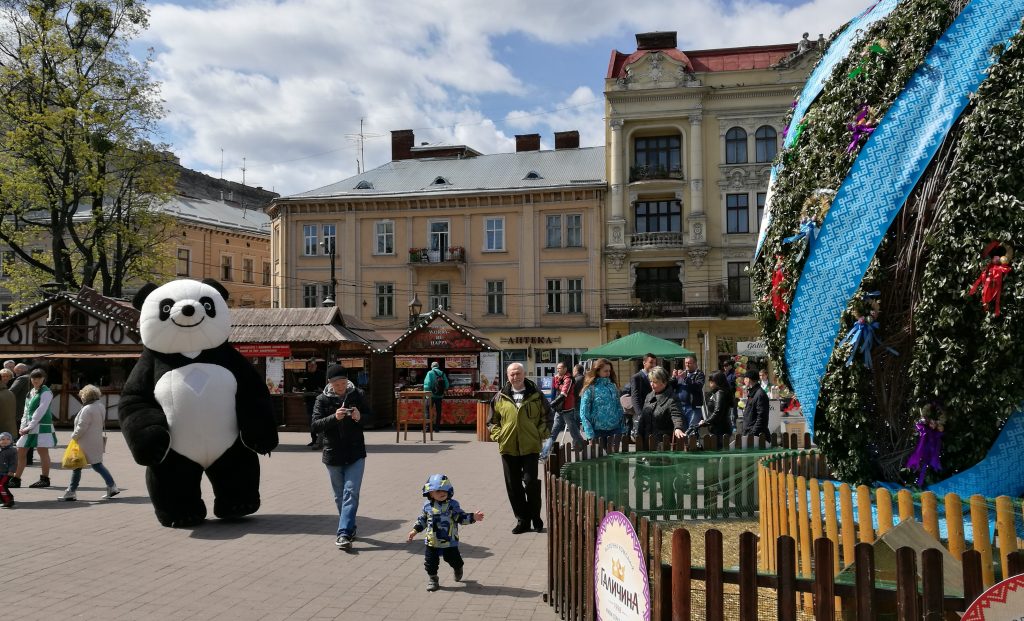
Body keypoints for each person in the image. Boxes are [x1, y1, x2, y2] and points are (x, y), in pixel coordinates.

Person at [311, 364, 371, 550]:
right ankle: (350, 527)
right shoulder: (322, 399)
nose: (341, 387)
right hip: (333, 454)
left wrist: (360, 417)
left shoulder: (357, 395)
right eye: (337, 384)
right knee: (340, 497)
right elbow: (315, 426)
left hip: (355, 453)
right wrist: (333, 418)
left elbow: (372, 418)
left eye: (343, 382)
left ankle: (343, 533)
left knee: (350, 492)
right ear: (330, 383)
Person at [488, 362, 550, 534]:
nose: (515, 377)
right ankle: (522, 520)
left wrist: (539, 434)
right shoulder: (500, 397)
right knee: (513, 486)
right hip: (508, 447)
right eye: (512, 374)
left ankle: (535, 516)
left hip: (530, 447)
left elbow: (547, 416)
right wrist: (499, 436)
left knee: (530, 482)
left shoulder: (536, 395)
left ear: (524, 374)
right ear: (507, 376)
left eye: (518, 373)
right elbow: (492, 422)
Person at [406, 474, 485, 592]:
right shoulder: (427, 506)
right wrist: (415, 530)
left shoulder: (452, 505)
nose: (442, 493)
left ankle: (458, 567)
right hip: (432, 541)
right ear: (430, 493)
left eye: (444, 490)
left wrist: (472, 517)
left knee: (453, 559)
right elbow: (422, 519)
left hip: (449, 541)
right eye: (438, 491)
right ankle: (433, 579)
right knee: (430, 563)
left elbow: (461, 517)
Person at [58, 385, 119, 502]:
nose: (81, 398)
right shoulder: (100, 406)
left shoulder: (87, 409)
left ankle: (71, 492)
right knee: (97, 465)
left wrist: (73, 436)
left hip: (84, 442)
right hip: (95, 441)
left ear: (85, 396)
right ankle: (112, 486)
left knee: (77, 466)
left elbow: (82, 427)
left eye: (82, 396)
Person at [13, 368, 56, 489]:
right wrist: (22, 427)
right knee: (20, 450)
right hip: (29, 426)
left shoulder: (46, 392)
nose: (35, 380)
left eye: (38, 377)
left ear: (44, 379)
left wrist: (28, 427)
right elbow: (26, 411)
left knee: (43, 452)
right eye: (33, 377)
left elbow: (40, 411)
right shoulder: (31, 391)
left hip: (42, 426)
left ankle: (45, 479)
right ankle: (16, 479)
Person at [539, 362, 585, 459]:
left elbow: (564, 394)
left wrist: (551, 405)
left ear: (565, 369)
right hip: (559, 409)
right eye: (557, 368)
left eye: (560, 368)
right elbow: (555, 390)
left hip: (567, 409)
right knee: (554, 432)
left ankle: (584, 448)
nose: (558, 370)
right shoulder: (558, 378)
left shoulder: (569, 379)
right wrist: (555, 380)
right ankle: (544, 453)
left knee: (574, 431)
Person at [633, 366, 686, 442]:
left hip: (663, 442)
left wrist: (678, 428)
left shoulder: (672, 398)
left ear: (664, 382)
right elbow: (643, 418)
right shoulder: (649, 396)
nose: (651, 384)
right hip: (646, 441)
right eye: (651, 381)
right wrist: (638, 434)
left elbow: (677, 415)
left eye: (655, 382)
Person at [579, 358, 627, 442]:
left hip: (615, 430)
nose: (608, 373)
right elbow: (584, 413)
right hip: (597, 432)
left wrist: (623, 429)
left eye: (609, 371)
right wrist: (590, 435)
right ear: (597, 371)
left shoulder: (613, 387)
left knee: (614, 455)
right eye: (605, 371)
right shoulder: (590, 389)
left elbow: (619, 408)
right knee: (601, 455)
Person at [9, 363, 31, 472]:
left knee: (20, 434)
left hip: (19, 410)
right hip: (29, 409)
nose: (14, 373)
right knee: (28, 434)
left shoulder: (22, 378)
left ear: (21, 370)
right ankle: (29, 459)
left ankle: (21, 459)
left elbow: (11, 392)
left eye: (16, 371)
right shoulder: (32, 378)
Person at [629, 354, 657, 433]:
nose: (653, 365)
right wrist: (640, 414)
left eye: (655, 363)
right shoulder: (637, 377)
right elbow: (635, 397)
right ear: (644, 363)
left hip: (654, 413)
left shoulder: (655, 377)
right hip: (643, 413)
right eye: (651, 362)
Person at [701, 371, 735, 436]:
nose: (709, 384)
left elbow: (717, 412)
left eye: (711, 382)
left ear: (717, 382)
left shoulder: (720, 393)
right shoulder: (718, 392)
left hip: (720, 429)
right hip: (719, 427)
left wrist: (705, 422)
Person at [678, 356, 706, 434]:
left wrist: (686, 378)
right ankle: (685, 446)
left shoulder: (699, 374)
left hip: (693, 407)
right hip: (682, 407)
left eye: (689, 363)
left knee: (692, 431)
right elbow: (674, 386)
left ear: (695, 363)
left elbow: (698, 386)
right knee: (683, 430)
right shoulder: (683, 374)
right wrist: (674, 378)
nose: (687, 365)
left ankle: (693, 445)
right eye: (686, 363)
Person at [741, 369, 770, 436]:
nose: (744, 380)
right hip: (749, 432)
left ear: (749, 379)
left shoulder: (760, 394)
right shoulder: (752, 392)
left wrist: (753, 433)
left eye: (745, 378)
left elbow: (762, 417)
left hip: (755, 436)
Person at [423, 361, 449, 430]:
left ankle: (427, 427)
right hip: (439, 396)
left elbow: (427, 385)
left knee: (428, 411)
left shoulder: (430, 373)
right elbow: (447, 385)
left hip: (430, 396)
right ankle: (437, 427)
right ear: (438, 366)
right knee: (438, 412)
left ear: (432, 366)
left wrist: (428, 391)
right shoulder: (442, 373)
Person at [0, 431, 14, 508]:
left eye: (8, 439)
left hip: (6, 473)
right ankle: (4, 500)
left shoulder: (12, 451)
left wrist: (11, 471)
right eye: (2, 439)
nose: (5, 441)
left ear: (11, 441)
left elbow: (14, 463)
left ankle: (8, 500)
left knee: (1, 485)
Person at [0, 369, 15, 438]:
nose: (5, 378)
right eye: (3, 376)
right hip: (8, 431)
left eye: (7, 376)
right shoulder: (9, 392)